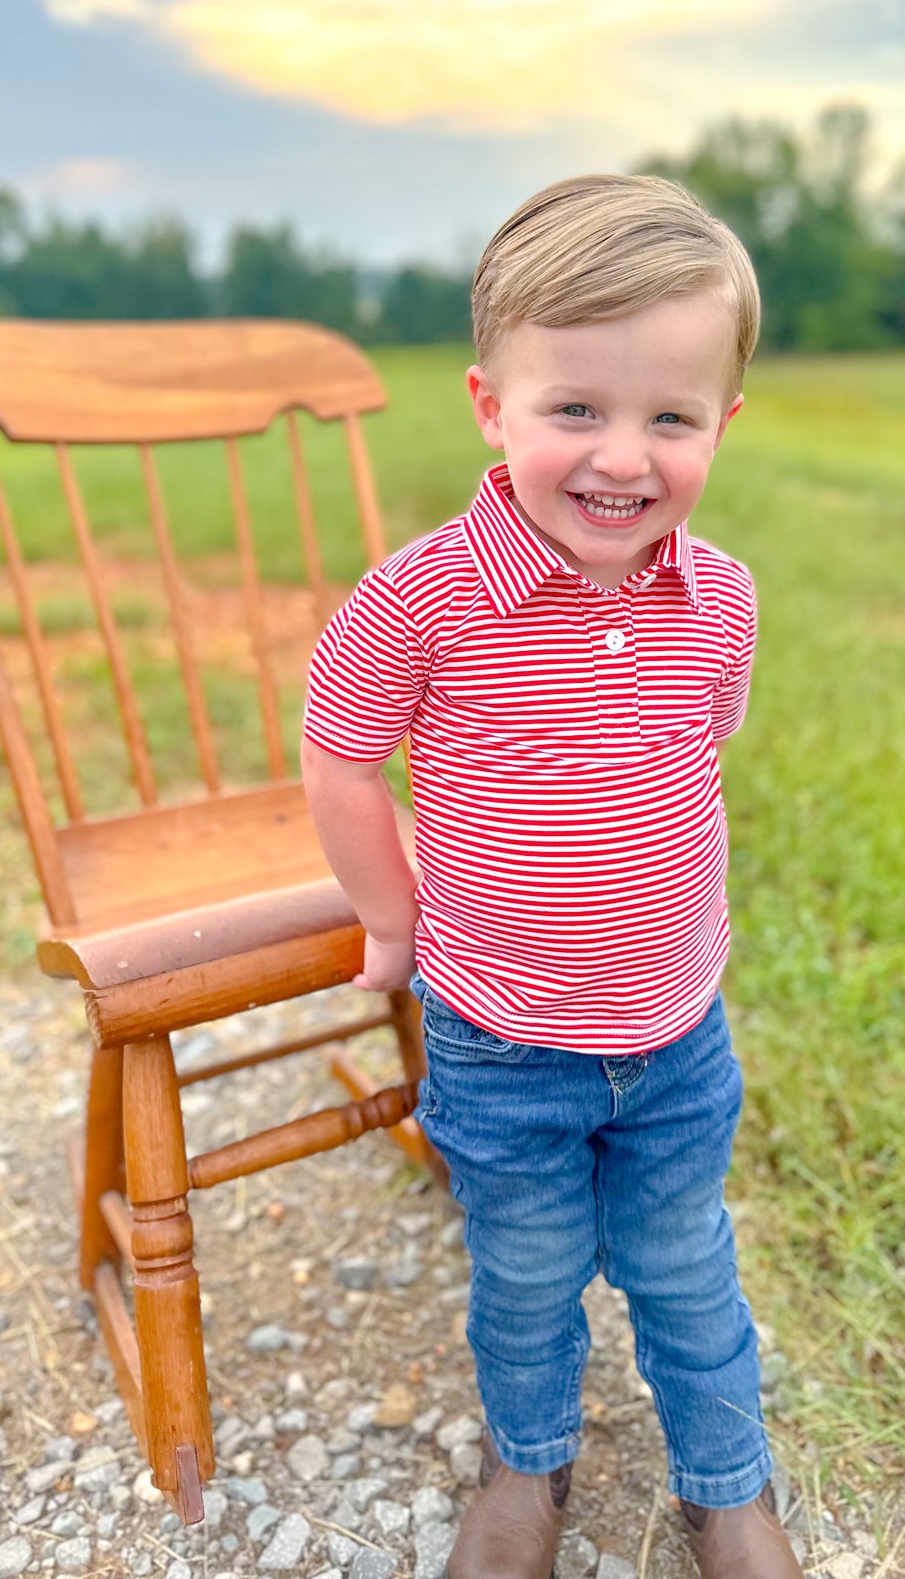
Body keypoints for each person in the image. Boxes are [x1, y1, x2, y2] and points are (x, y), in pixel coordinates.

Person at [301, 174, 803, 1579]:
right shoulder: (421, 599)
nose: (621, 459)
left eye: (670, 420)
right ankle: (530, 1464)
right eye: (574, 408)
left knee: (686, 1268)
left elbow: (694, 756)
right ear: (490, 406)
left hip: (674, 1032)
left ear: (722, 423)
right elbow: (341, 756)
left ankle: (726, 1487)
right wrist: (391, 918)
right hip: (501, 1037)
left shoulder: (720, 598)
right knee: (524, 1279)